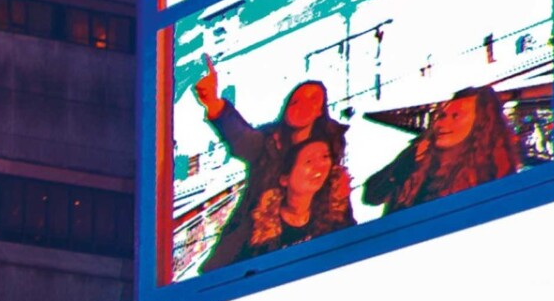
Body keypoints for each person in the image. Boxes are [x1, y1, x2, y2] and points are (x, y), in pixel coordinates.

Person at [192, 68, 349, 274]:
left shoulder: (330, 151)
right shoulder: (267, 143)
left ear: (320, 111)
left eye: (312, 100)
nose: (300, 104)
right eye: (295, 100)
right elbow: (240, 136)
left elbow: (340, 211)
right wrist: (213, 103)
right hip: (254, 246)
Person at [364, 86, 522, 214]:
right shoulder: (419, 152)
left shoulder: (492, 173)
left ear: (480, 123)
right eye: (442, 116)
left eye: (456, 116)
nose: (442, 124)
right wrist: (407, 163)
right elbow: (371, 195)